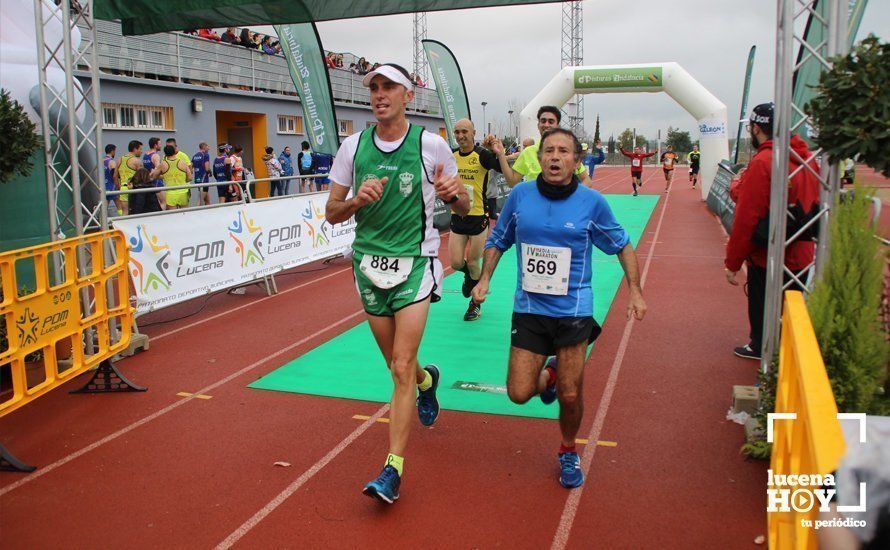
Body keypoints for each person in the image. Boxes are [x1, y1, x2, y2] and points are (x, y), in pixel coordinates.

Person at [324, 63, 468, 504]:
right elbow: (330, 212)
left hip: (416, 262)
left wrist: (453, 194)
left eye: (390, 87)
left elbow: (463, 205)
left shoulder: (431, 145)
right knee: (399, 366)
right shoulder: (352, 147)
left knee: (400, 367)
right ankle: (428, 382)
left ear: (409, 96)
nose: (380, 94)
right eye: (375, 88)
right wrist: (354, 201)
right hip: (368, 265)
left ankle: (392, 470)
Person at [472, 127, 646, 488]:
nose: (554, 157)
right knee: (519, 393)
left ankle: (568, 450)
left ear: (576, 160)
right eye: (548, 150)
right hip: (530, 308)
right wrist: (485, 279)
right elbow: (499, 239)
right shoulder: (520, 197)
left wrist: (635, 290)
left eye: (563, 151)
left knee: (570, 393)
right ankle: (548, 375)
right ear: (539, 159)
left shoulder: (591, 202)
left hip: (573, 310)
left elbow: (623, 245)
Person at [724, 102, 820, 360]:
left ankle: (760, 347)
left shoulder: (764, 161)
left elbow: (747, 217)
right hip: (803, 253)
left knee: (763, 305)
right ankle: (786, 353)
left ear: (756, 128)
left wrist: (732, 262)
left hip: (770, 255)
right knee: (794, 310)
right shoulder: (807, 158)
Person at [451, 118, 502, 321]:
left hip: (478, 216)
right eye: (457, 132)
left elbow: (501, 166)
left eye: (465, 131)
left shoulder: (482, 155)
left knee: (473, 261)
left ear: (473, 133)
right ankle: (469, 277)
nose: (461, 135)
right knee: (456, 262)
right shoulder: (451, 155)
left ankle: (474, 305)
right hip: (458, 215)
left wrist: (497, 150)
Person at [496, 106, 591, 188]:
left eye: (551, 121)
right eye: (543, 121)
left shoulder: (566, 152)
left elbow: (587, 180)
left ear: (557, 126)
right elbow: (512, 182)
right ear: (538, 125)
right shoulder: (528, 152)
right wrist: (501, 155)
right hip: (536, 207)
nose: (546, 125)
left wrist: (575, 196)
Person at [159, 144, 193, 209]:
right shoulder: (182, 162)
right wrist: (183, 180)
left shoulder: (163, 164)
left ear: (165, 154)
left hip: (170, 193)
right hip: (183, 191)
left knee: (173, 216)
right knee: (185, 213)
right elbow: (190, 177)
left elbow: (154, 176)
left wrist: (166, 176)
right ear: (174, 151)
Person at [103, 144, 123, 216]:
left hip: (104, 186)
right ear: (112, 151)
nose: (115, 153)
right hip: (112, 186)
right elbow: (115, 175)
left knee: (104, 206)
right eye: (115, 151)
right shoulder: (112, 162)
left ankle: (102, 222)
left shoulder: (101, 161)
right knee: (119, 204)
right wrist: (118, 185)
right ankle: (122, 220)